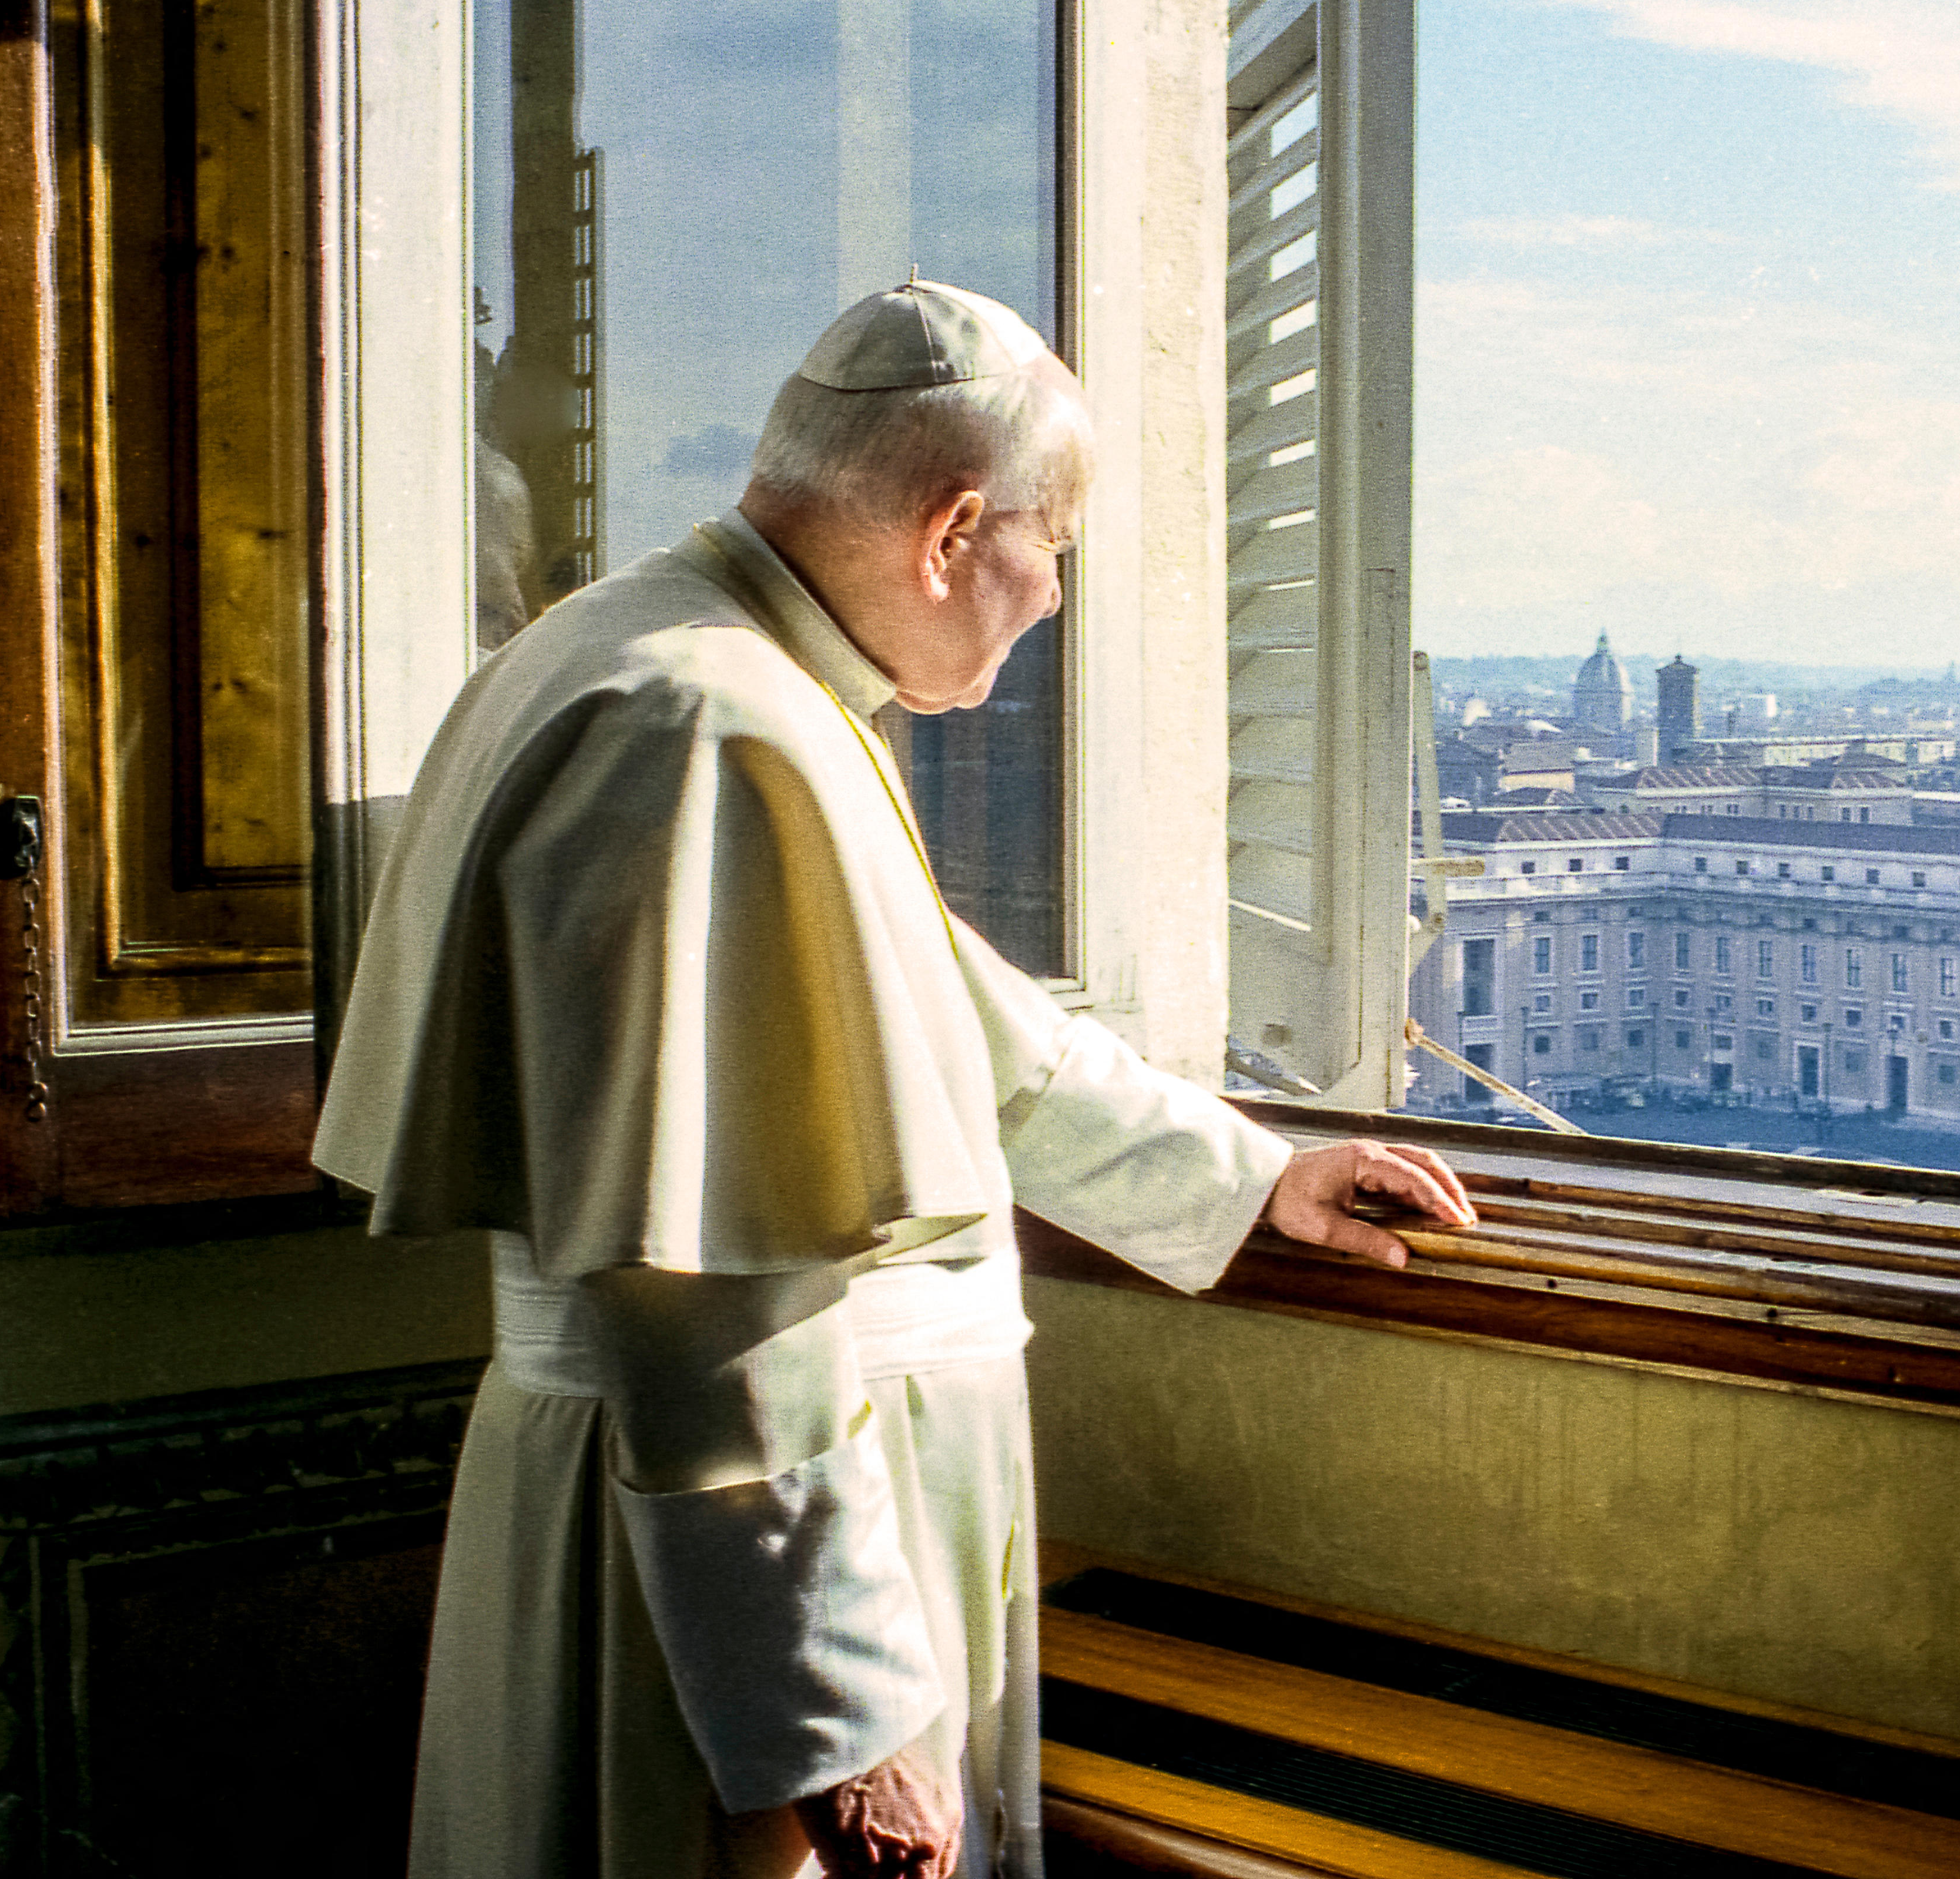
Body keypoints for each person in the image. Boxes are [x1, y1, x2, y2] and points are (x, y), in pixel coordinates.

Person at [311, 279, 1474, 1878]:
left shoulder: (691, 656)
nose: (1054, 596)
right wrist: (837, 1725)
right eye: (1050, 547)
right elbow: (718, 1290)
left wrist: (1245, 1173)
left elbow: (944, 1018)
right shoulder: (708, 727)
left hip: (764, 1530)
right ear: (950, 533)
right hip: (755, 1578)